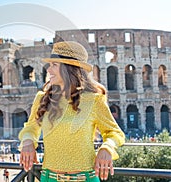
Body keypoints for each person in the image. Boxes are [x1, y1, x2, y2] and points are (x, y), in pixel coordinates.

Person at [18, 41, 125, 181]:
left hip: (86, 178)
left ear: (69, 69)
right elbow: (31, 127)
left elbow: (115, 133)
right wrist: (27, 141)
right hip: (49, 178)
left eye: (54, 65)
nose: (48, 70)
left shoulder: (94, 100)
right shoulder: (42, 98)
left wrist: (107, 148)